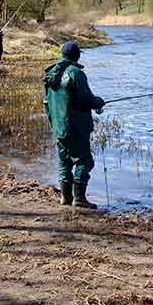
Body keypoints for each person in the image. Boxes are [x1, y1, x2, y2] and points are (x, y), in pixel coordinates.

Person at [43, 41, 105, 209]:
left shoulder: (51, 74)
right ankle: (79, 199)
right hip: (76, 127)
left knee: (64, 162)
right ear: (77, 56)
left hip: (60, 128)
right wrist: (99, 102)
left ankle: (65, 198)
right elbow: (87, 100)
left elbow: (46, 103)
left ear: (62, 55)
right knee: (84, 161)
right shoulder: (76, 73)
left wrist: (54, 123)